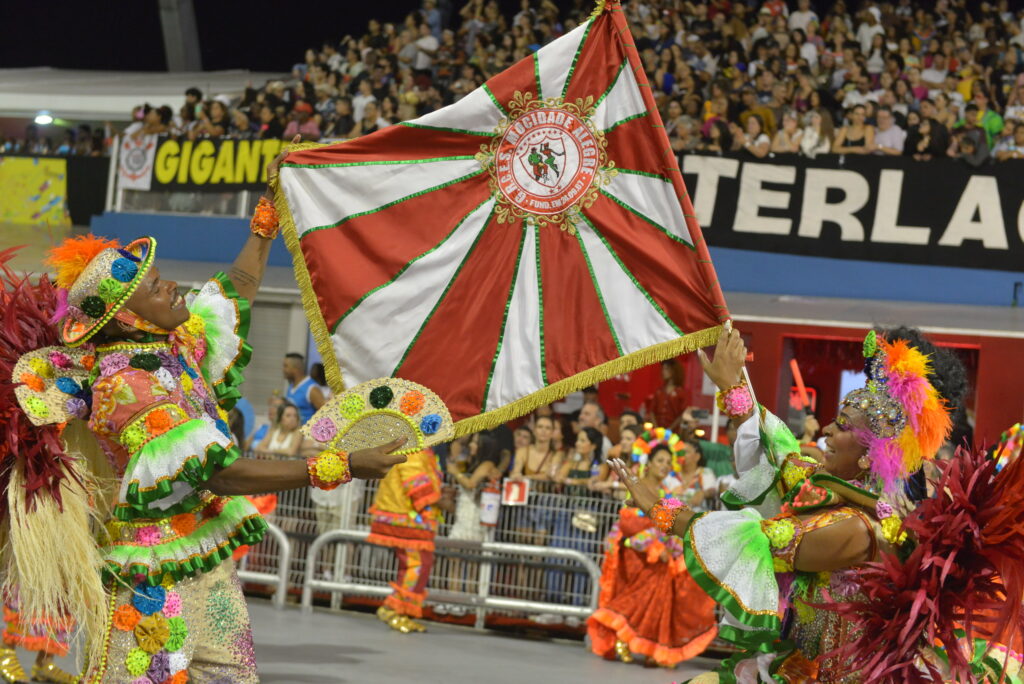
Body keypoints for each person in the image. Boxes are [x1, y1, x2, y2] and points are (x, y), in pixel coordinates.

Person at [10, 139, 407, 682]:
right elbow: (218, 472)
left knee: (231, 677)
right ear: (127, 320)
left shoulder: (175, 346)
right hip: (150, 576)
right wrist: (339, 466)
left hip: (203, 555)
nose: (171, 285)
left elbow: (237, 291)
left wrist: (266, 222)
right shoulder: (126, 385)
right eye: (154, 285)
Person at [611, 324, 1024, 682]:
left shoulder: (860, 529)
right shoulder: (832, 487)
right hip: (798, 665)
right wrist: (732, 385)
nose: (826, 429)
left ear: (868, 455)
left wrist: (664, 512)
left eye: (841, 425)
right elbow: (782, 458)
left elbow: (761, 542)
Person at [588, 441, 718, 668]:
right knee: (636, 601)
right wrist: (654, 546)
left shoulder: (666, 494)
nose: (665, 466)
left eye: (668, 462)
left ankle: (652, 647)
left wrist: (674, 548)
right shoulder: (638, 488)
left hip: (660, 558)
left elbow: (674, 525)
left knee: (661, 601)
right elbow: (628, 524)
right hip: (635, 555)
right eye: (660, 460)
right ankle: (626, 639)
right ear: (648, 464)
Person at [369, 448, 452, 633]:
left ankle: (402, 612)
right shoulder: (413, 450)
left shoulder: (422, 451)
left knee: (417, 565)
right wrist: (442, 502)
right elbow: (417, 486)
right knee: (417, 565)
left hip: (413, 518)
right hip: (407, 517)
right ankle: (393, 610)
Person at [444, 433, 501, 603]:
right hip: (463, 513)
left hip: (474, 516)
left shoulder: (487, 463)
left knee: (471, 564)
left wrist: (456, 473)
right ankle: (452, 601)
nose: (471, 445)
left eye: (476, 443)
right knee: (454, 559)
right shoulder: (469, 461)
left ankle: (468, 602)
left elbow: (471, 484)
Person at [644, 359, 689, 433]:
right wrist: (656, 428)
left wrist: (670, 429)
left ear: (674, 371)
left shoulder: (681, 393)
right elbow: (652, 411)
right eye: (663, 369)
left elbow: (682, 414)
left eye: (666, 369)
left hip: (673, 432)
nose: (663, 371)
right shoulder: (659, 391)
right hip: (657, 431)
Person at [283, 352, 325, 424]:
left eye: (285, 366)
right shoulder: (291, 386)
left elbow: (325, 414)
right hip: (293, 433)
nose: (283, 370)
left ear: (295, 369)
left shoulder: (312, 389)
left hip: (306, 434)